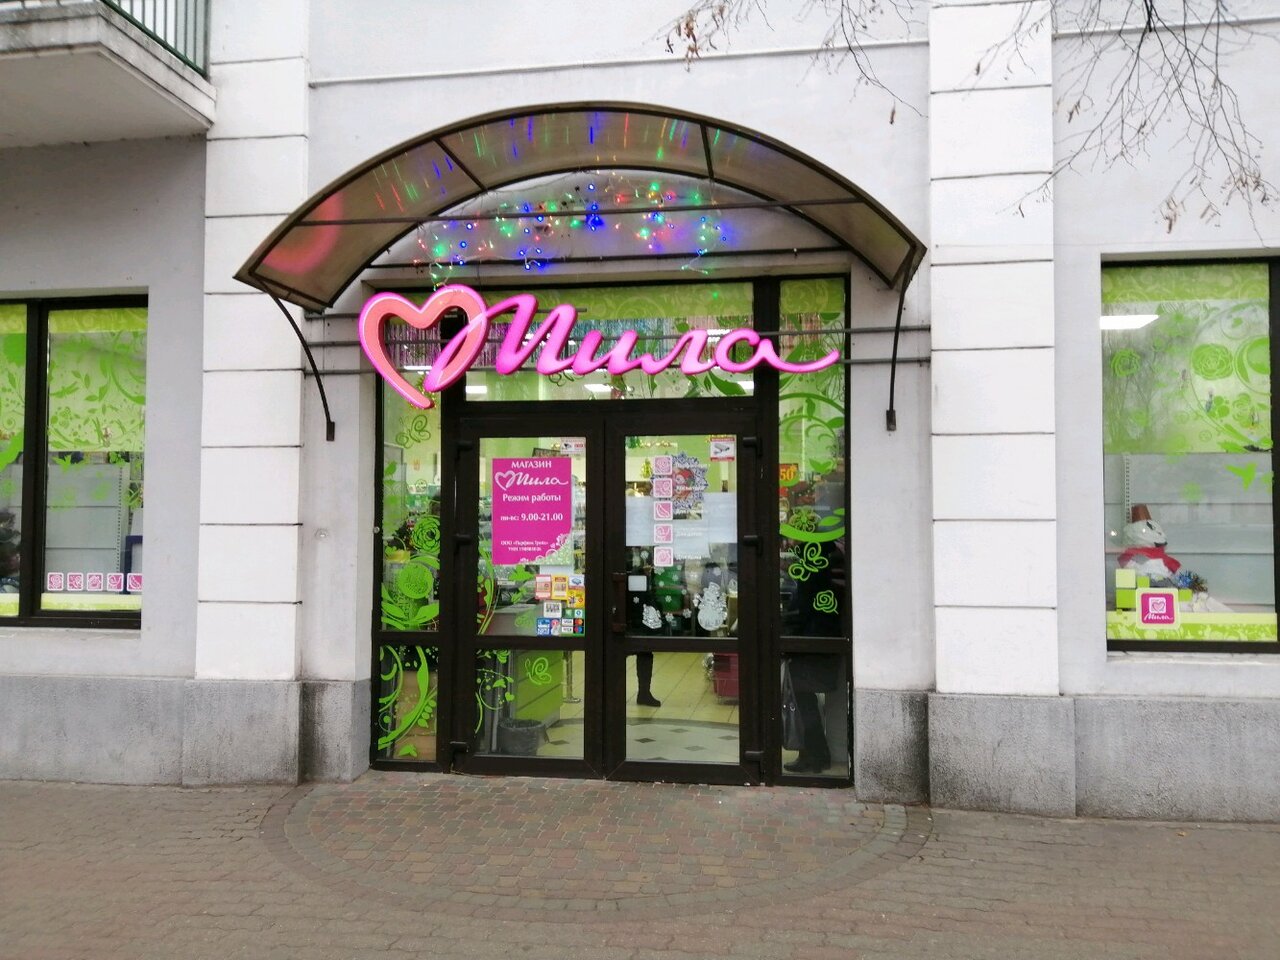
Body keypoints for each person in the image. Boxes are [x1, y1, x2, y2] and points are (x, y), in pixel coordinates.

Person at [783, 538, 845, 773]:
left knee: (803, 700)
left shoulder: (815, 570)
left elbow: (802, 607)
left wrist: (787, 632)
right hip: (823, 640)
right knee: (806, 700)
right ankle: (816, 755)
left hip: (811, 643)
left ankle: (814, 756)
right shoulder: (832, 563)